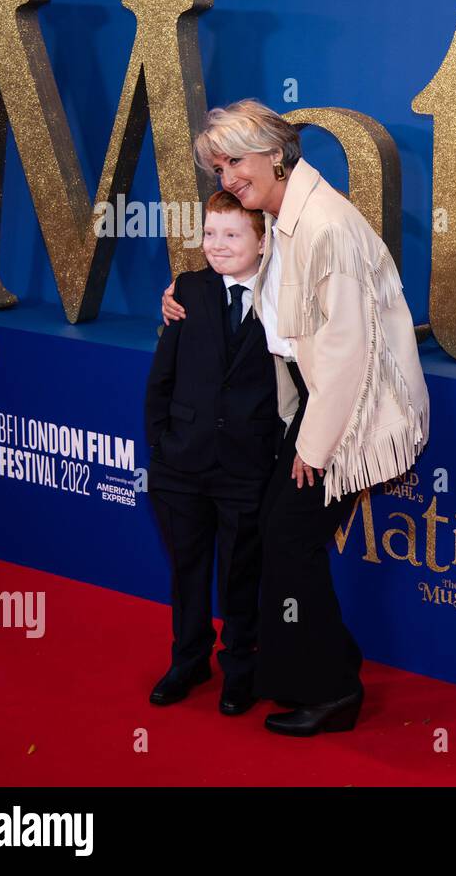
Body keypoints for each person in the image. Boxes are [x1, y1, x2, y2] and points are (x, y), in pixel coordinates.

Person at [162, 99, 430, 736]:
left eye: (235, 161)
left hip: (352, 410)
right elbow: (263, 291)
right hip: (320, 407)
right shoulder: (286, 216)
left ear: (276, 154)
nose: (227, 177)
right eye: (218, 167)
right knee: (285, 536)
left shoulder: (325, 223)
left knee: (289, 539)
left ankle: (332, 689)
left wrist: (312, 448)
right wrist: (181, 293)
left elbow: (345, 351)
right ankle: (324, 665)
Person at [145, 189, 283, 716]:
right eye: (209, 233)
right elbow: (163, 375)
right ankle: (188, 658)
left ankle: (240, 668)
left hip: (248, 466)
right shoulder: (188, 290)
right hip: (181, 462)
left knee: (240, 574)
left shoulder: (282, 294)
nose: (217, 245)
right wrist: (160, 442)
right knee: (188, 570)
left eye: (232, 234)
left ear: (262, 238)